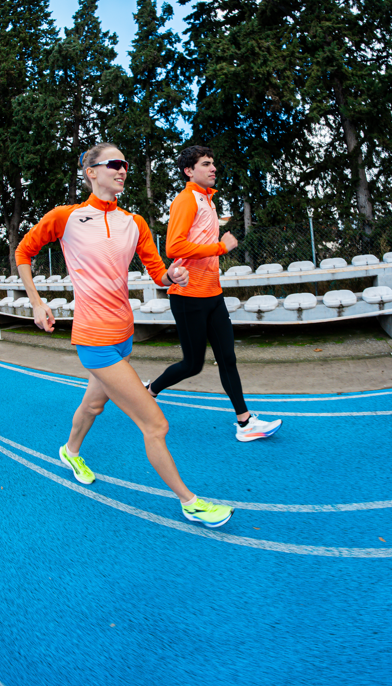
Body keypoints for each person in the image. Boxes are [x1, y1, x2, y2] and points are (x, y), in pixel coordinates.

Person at [15, 142, 234, 528]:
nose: (122, 170)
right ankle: (190, 502)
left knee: (94, 406)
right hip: (94, 339)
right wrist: (36, 302)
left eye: (125, 164)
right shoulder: (66, 217)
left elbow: (159, 273)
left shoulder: (134, 223)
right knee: (155, 425)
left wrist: (173, 275)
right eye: (113, 163)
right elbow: (23, 252)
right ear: (91, 172)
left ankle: (69, 451)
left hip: (123, 336)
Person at [145, 145, 282, 442]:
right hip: (187, 296)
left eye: (213, 163)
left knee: (227, 358)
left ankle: (245, 423)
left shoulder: (208, 200)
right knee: (192, 365)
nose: (213, 168)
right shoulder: (186, 200)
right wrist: (220, 247)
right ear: (189, 171)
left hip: (213, 295)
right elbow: (173, 247)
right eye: (206, 164)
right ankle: (150, 391)